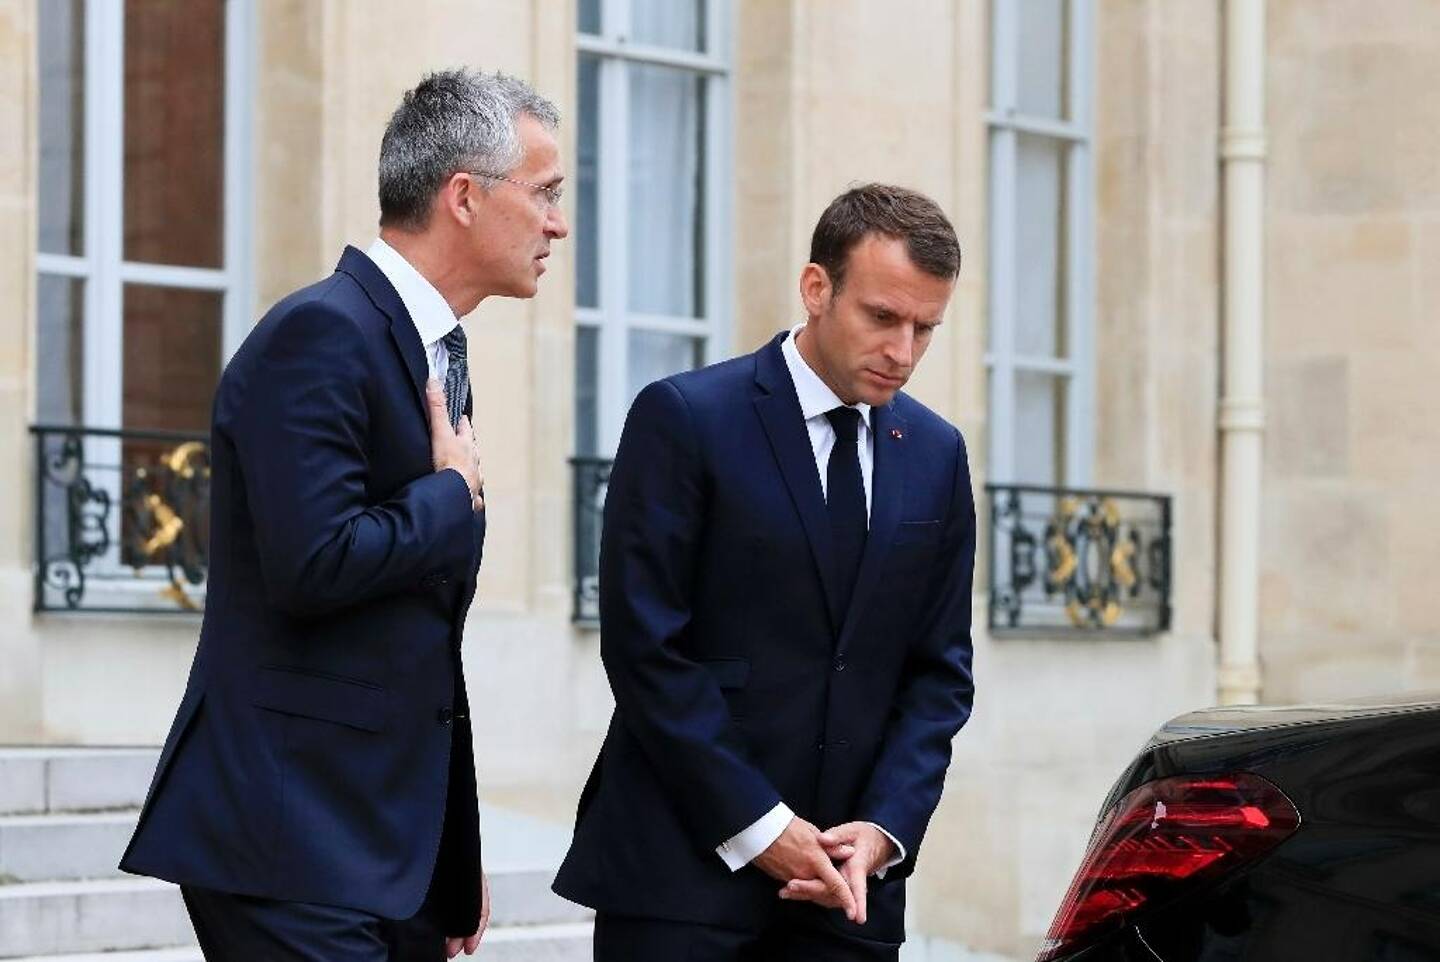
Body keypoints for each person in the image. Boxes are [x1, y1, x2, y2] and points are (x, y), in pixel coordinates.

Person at [119, 68, 569, 961]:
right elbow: (313, 563)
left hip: (378, 849)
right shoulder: (321, 333)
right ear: (465, 197)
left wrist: (446, 853)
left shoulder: (432, 345)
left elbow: (417, 644)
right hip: (288, 845)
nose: (559, 223)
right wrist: (447, 495)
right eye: (546, 193)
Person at [554, 184, 976, 960]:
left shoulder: (939, 455)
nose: (904, 352)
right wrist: (761, 827)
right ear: (817, 289)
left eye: (926, 328)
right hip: (682, 880)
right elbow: (648, 650)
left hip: (850, 897)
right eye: (883, 317)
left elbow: (940, 673)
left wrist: (886, 831)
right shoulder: (685, 418)